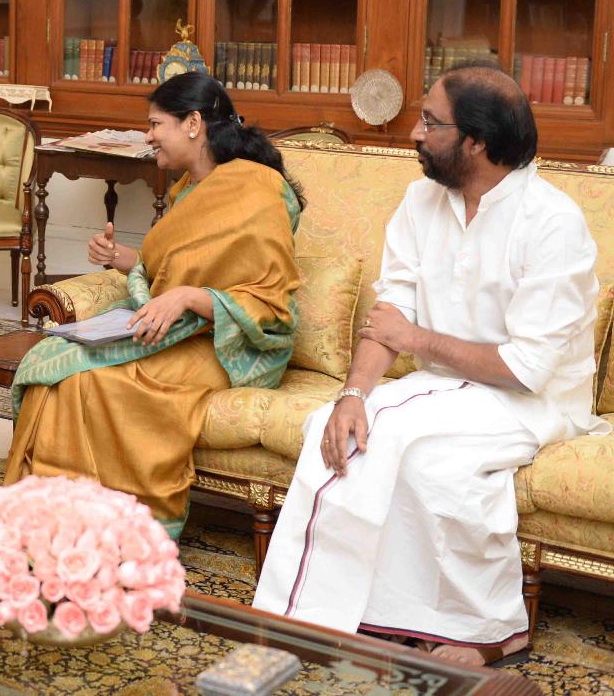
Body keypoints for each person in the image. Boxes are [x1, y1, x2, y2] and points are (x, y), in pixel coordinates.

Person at [252, 61, 609, 667]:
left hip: (532, 399)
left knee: (427, 460)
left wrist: (415, 337)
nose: (415, 133)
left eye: (430, 122)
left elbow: (526, 368)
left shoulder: (552, 222)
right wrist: (353, 395)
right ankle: (361, 619)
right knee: (333, 429)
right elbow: (391, 311)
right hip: (445, 386)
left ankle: (488, 632)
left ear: (477, 141)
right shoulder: (421, 200)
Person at [5, 72, 303, 539]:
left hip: (234, 344)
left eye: (155, 124)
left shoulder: (257, 188)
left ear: (193, 124)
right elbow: (172, 270)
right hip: (179, 329)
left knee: (96, 381)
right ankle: (57, 517)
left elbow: (270, 300)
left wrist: (188, 297)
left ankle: (129, 529)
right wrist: (122, 258)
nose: (148, 136)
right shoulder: (189, 188)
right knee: (55, 366)